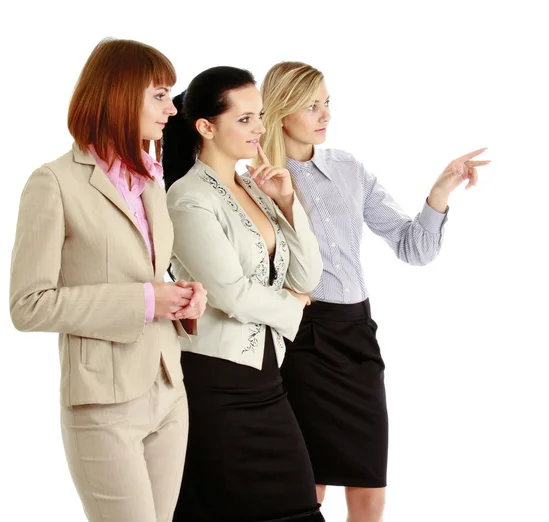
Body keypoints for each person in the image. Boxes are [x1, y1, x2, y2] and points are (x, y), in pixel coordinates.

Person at [259, 61, 492, 522]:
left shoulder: (348, 168)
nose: (325, 114)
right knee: (307, 488)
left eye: (328, 102)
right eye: (311, 105)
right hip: (299, 338)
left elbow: (415, 248)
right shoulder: (256, 181)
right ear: (281, 111)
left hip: (356, 337)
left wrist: (441, 189)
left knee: (369, 492)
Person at [9, 38, 207, 522]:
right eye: (159, 94)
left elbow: (150, 274)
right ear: (120, 94)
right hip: (102, 404)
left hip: (168, 390)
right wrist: (144, 300)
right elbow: (29, 305)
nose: (171, 108)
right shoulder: (52, 182)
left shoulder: (151, 181)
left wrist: (184, 299)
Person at [161, 65, 326, 522]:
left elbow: (308, 275)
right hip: (217, 384)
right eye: (245, 119)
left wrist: (288, 203)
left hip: (268, 379)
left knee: (298, 507)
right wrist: (291, 307)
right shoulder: (188, 197)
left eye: (260, 116)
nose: (259, 128)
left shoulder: (256, 184)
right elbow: (230, 294)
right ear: (206, 127)